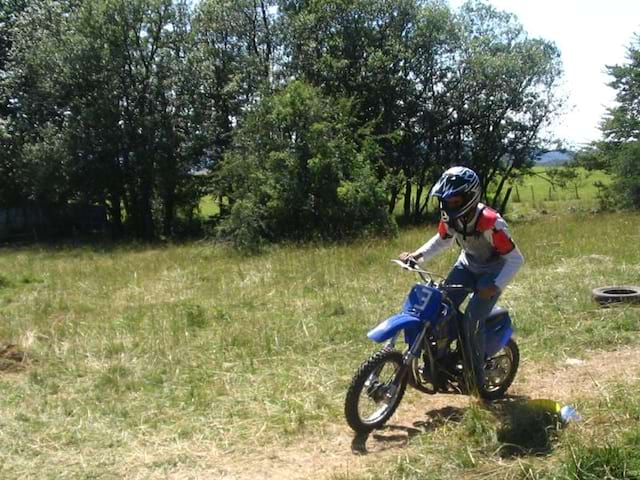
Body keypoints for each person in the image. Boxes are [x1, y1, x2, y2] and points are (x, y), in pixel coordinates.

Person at [399, 166, 524, 397]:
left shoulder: (491, 223)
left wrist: (495, 286)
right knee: (441, 308)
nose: (448, 205)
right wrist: (417, 255)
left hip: (492, 271)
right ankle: (444, 360)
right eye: (445, 200)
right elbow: (442, 240)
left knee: (472, 322)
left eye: (454, 200)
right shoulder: (451, 218)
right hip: (466, 265)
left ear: (469, 197)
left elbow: (516, 259)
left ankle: (475, 381)